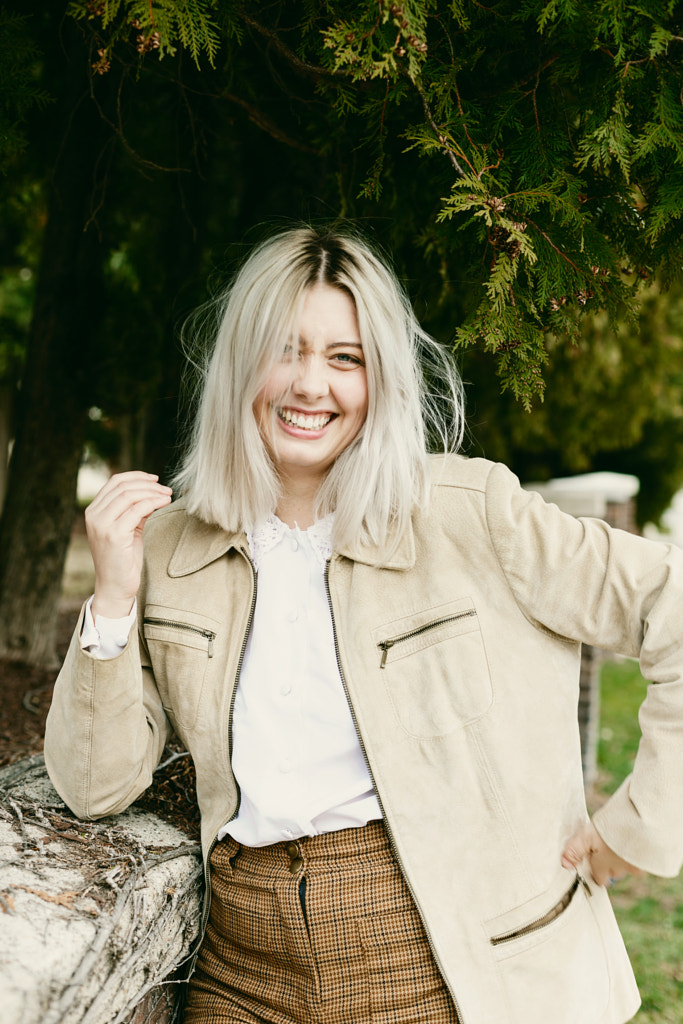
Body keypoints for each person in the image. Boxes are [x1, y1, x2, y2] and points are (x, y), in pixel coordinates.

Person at [45, 226, 683, 1024]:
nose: (311, 384)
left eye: (344, 358)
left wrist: (643, 824)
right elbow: (94, 785)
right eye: (284, 350)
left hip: (433, 963)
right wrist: (111, 595)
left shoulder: (468, 511)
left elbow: (671, 607)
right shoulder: (173, 546)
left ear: (378, 379)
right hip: (243, 969)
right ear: (240, 365)